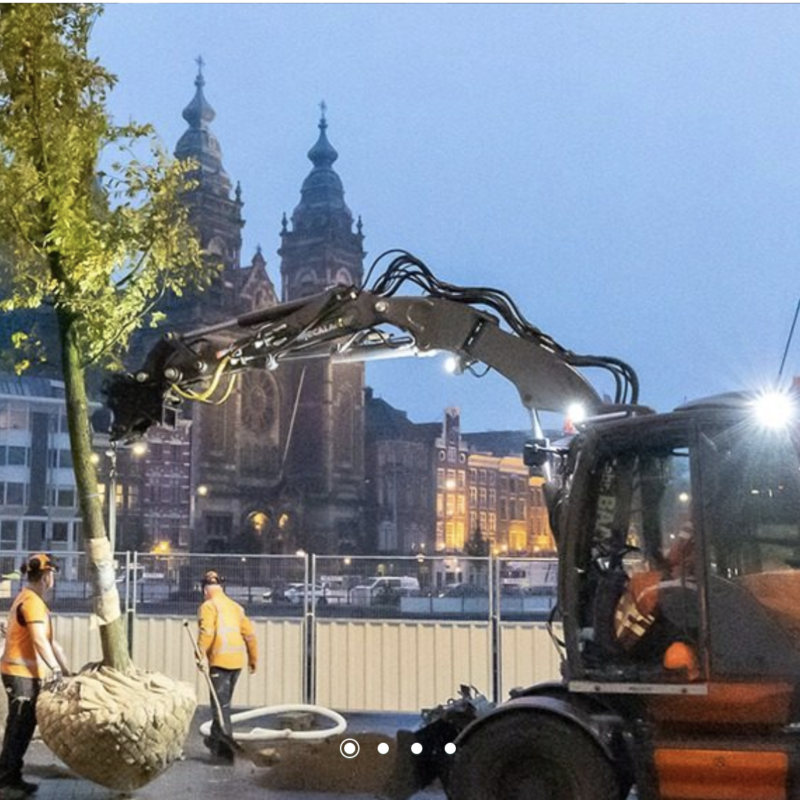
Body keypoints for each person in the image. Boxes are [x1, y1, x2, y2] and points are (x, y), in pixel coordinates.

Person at [0, 553, 70, 798]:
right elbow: (40, 641)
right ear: (47, 576)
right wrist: (56, 669)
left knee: (24, 727)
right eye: (52, 575)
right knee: (18, 728)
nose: (53, 580)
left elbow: (53, 644)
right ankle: (6, 783)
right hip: (19, 675)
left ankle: (12, 777)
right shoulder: (32, 603)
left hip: (23, 675)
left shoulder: (31, 600)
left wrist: (68, 672)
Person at [196, 569, 257, 761]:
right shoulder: (236, 607)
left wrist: (199, 654)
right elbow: (250, 635)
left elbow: (207, 632)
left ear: (205, 589)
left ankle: (225, 753)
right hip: (236, 663)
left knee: (221, 709)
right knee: (223, 704)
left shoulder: (208, 606)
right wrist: (253, 659)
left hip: (220, 663)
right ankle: (215, 741)